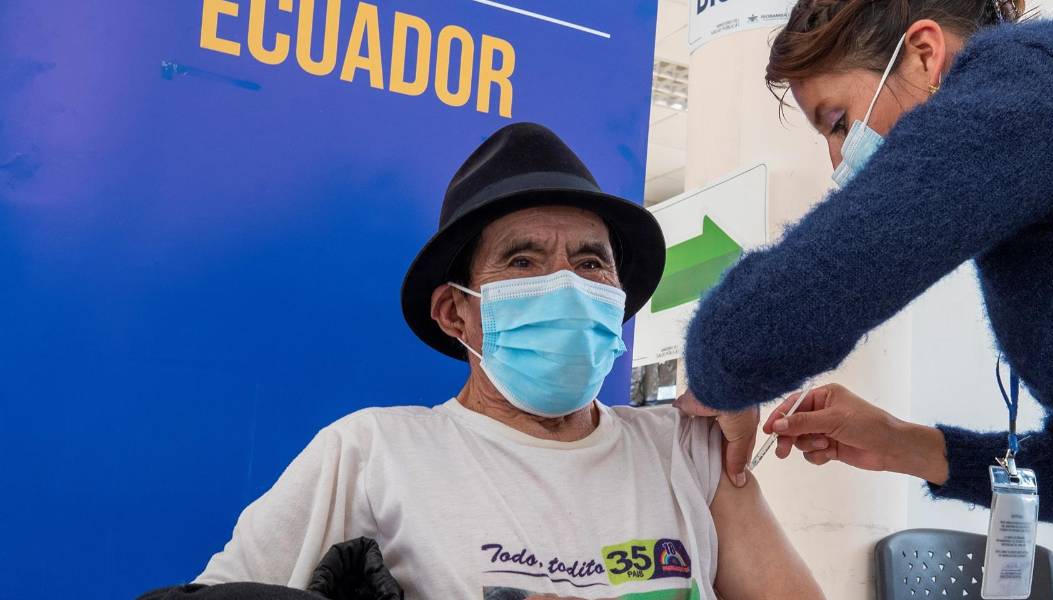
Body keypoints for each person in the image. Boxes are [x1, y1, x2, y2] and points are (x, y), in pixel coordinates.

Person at [677, 0, 1053, 586]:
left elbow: (800, 300)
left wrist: (714, 377)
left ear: (924, 54)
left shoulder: (1038, 78)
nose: (835, 157)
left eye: (838, 121)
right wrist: (898, 444)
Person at [194, 123, 824, 599]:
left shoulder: (687, 451)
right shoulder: (370, 454)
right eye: (522, 261)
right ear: (454, 312)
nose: (566, 284)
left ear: (617, 298)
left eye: (590, 262)